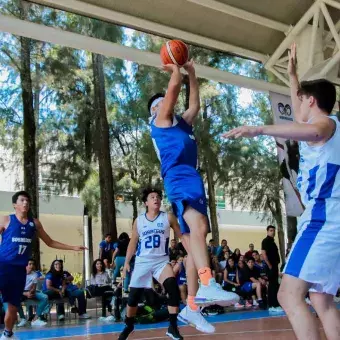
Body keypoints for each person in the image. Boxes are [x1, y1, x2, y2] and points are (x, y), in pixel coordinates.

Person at [223, 42, 340, 340]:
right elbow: (303, 121)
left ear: (311, 101)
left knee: (288, 295)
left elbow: (313, 128)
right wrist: (292, 76)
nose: (297, 107)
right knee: (321, 299)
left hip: (323, 221)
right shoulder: (321, 124)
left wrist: (259, 129)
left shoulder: (326, 125)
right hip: (331, 221)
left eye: (301, 101)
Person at [148, 60, 239, 331]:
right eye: (159, 103)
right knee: (199, 227)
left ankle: (192, 306)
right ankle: (208, 284)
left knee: (192, 246)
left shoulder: (182, 124)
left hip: (190, 177)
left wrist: (193, 73)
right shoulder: (160, 121)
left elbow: (194, 105)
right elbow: (174, 90)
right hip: (178, 177)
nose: (164, 103)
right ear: (153, 111)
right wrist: (176, 69)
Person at [0, 191, 86, 340]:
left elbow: (50, 242)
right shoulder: (6, 220)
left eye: (27, 200)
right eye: (22, 200)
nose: (25, 203)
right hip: (4, 266)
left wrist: (72, 247)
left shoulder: (34, 223)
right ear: (15, 205)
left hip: (20, 270)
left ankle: (7, 333)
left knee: (13, 307)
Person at [118, 188, 185, 340]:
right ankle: (129, 324)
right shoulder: (139, 221)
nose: (156, 199)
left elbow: (181, 237)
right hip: (142, 262)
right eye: (152, 197)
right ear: (146, 202)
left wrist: (190, 252)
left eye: (158, 197)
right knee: (133, 298)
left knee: (173, 288)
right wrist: (127, 262)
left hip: (161, 261)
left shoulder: (168, 217)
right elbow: (133, 243)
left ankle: (173, 328)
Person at [15, 259, 49, 327]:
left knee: (45, 297)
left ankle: (35, 319)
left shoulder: (35, 274)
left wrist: (31, 292)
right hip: (20, 292)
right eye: (29, 264)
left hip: (30, 291)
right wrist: (25, 294)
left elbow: (34, 287)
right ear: (25, 265)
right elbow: (15, 288)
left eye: (32, 264)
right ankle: (23, 319)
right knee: (15, 298)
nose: (31, 265)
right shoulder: (18, 274)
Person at [261, 226, 281, 313]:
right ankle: (272, 305)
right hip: (271, 266)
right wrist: (269, 265)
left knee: (275, 285)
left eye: (274, 230)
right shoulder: (265, 241)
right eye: (271, 230)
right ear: (267, 231)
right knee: (272, 285)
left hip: (275, 265)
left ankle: (275, 304)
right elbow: (264, 254)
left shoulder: (273, 242)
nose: (273, 232)